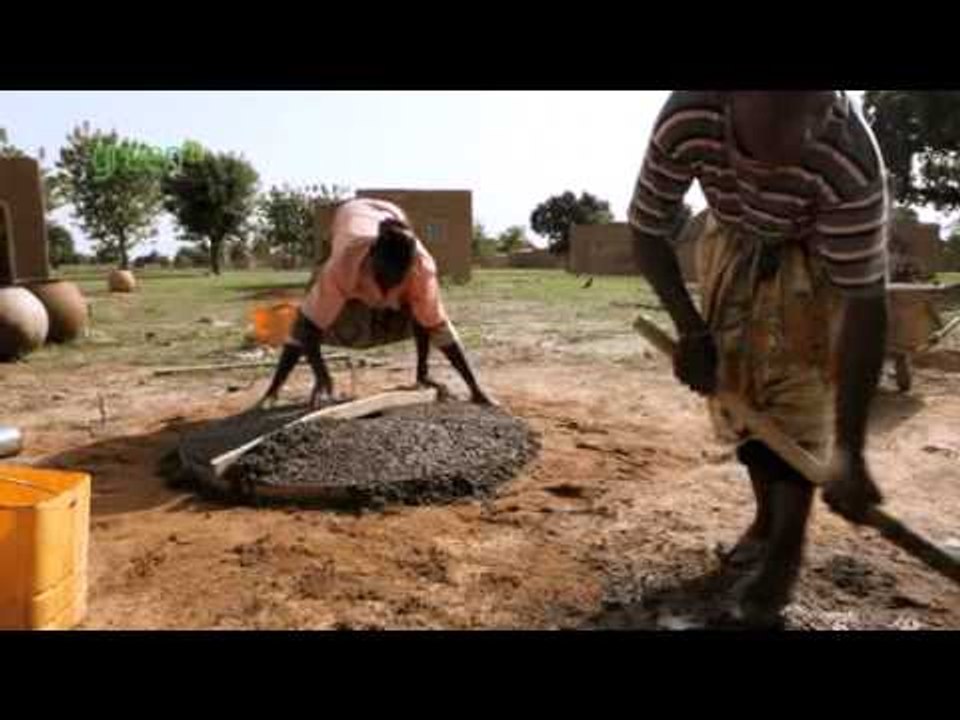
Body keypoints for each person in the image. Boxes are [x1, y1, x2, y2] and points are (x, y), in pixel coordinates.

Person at [628, 91, 890, 625]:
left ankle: (787, 547)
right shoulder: (689, 116)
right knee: (738, 396)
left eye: (798, 138)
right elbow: (647, 225)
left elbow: (865, 300)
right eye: (763, 142)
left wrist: (851, 451)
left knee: (799, 396)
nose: (778, 162)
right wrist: (691, 331)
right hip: (730, 240)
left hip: (813, 255)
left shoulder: (850, 161)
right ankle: (767, 518)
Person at [258, 197, 494, 408]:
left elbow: (437, 326)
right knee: (306, 318)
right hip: (351, 214)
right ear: (371, 257)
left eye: (396, 280)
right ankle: (273, 390)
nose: (388, 287)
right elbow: (308, 325)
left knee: (424, 312)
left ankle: (423, 374)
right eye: (382, 278)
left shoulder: (422, 269)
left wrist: (475, 388)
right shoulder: (344, 263)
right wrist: (322, 377)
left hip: (393, 213)